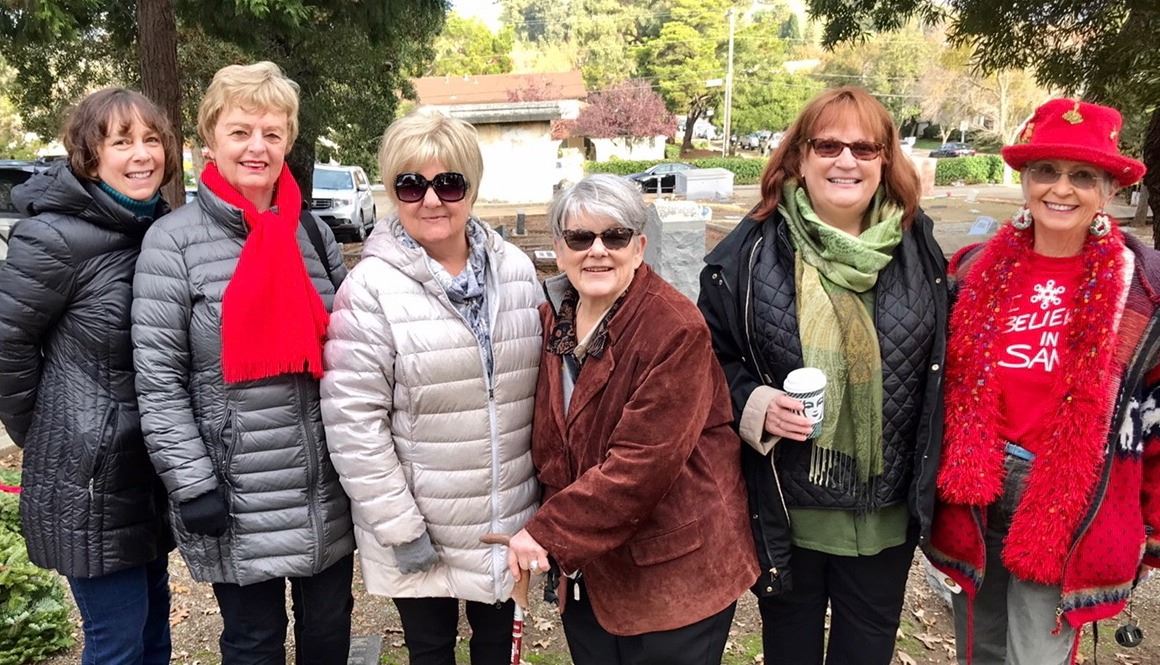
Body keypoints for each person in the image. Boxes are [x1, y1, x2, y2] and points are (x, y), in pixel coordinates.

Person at [698, 86, 949, 665]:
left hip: (885, 515)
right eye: (828, 144)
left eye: (864, 147)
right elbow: (708, 359)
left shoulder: (920, 248)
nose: (846, 160)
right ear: (800, 157)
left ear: (886, 159)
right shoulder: (750, 253)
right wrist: (754, 403)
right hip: (787, 511)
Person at [131, 61, 355, 665]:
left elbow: (354, 348)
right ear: (211, 139)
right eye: (240, 131)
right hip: (236, 488)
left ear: (288, 141)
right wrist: (193, 482)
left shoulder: (312, 232)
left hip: (325, 485)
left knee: (329, 635)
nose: (257, 147)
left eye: (273, 133)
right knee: (254, 643)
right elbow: (158, 381)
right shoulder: (172, 243)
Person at [927, 99, 1157, 665]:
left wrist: (1150, 525)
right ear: (1025, 181)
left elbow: (1153, 419)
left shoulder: (1143, 292)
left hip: (1067, 493)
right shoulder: (971, 268)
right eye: (1045, 172)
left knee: (1037, 652)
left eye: (1083, 176)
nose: (1062, 188)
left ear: (1107, 190)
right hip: (976, 485)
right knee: (977, 644)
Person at [504, 174, 759, 665]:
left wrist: (546, 531)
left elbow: (641, 467)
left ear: (639, 246)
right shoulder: (555, 317)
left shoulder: (674, 329)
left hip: (676, 575)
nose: (597, 251)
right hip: (594, 573)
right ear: (558, 249)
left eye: (614, 236)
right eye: (580, 238)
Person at [320, 109, 543, 665]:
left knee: (498, 651)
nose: (432, 200)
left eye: (449, 183)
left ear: (471, 187)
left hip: (506, 517)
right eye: (411, 184)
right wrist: (399, 527)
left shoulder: (515, 270)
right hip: (422, 523)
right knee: (431, 652)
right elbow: (354, 421)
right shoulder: (369, 288)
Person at [0, 88, 178, 665]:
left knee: (153, 628)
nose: (142, 154)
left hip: (146, 470)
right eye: (121, 141)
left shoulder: (157, 227)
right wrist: (55, 429)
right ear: (88, 154)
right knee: (118, 641)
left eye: (151, 139)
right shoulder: (54, 237)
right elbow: (6, 342)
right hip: (91, 478)